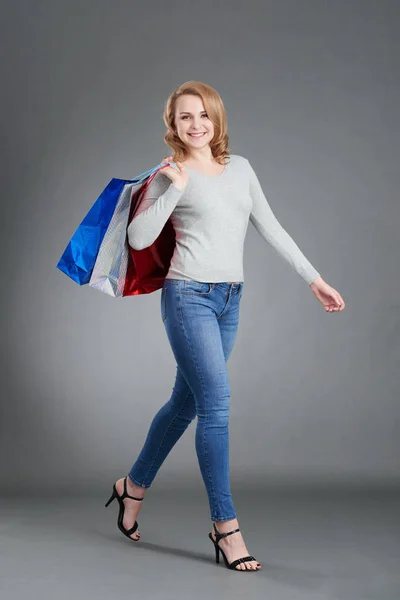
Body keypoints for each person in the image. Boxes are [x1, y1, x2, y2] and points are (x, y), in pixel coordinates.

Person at [104, 81, 345, 572]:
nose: (195, 125)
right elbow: (138, 234)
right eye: (184, 117)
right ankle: (226, 527)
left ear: (217, 119)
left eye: (203, 116)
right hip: (187, 297)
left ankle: (131, 486)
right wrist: (174, 188)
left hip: (229, 300)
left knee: (183, 405)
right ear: (172, 125)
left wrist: (314, 280)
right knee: (216, 406)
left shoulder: (241, 169)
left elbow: (270, 225)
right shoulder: (171, 174)